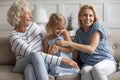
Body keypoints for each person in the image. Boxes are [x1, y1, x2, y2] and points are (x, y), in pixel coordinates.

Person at [7, 0, 79, 80]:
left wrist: (62, 32)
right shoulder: (14, 37)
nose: (31, 16)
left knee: (29, 68)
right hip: (22, 64)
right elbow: (31, 53)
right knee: (35, 55)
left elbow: (47, 37)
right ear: (18, 17)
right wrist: (63, 60)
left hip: (38, 62)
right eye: (28, 13)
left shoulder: (33, 26)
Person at [56, 4, 117, 80]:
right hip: (89, 63)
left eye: (91, 15)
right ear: (80, 17)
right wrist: (62, 45)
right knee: (85, 71)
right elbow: (75, 56)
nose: (88, 18)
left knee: (97, 69)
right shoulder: (78, 32)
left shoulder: (97, 26)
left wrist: (69, 43)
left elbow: (91, 49)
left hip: (106, 61)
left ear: (94, 17)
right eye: (85, 15)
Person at [43, 13, 80, 77]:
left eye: (62, 28)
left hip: (67, 60)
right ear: (51, 26)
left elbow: (71, 49)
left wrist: (59, 48)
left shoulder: (64, 33)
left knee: (74, 69)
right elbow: (46, 55)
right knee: (55, 69)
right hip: (55, 63)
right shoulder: (46, 39)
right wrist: (50, 53)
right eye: (58, 28)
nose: (60, 31)